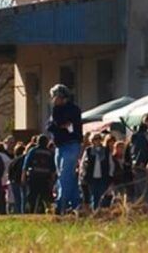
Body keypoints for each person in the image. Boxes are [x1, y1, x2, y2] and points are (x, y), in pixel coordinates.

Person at [46, 84, 83, 214]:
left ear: (62, 97)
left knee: (65, 175)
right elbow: (50, 126)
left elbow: (59, 122)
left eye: (54, 97)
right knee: (67, 176)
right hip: (59, 147)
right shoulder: (56, 110)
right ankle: (76, 204)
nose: (52, 100)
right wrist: (59, 125)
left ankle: (60, 204)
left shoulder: (72, 109)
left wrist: (58, 125)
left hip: (71, 145)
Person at [22, 134, 57, 213]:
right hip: (45, 178)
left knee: (32, 196)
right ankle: (45, 211)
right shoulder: (49, 153)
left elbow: (26, 165)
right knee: (45, 197)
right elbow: (53, 168)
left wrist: (23, 177)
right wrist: (52, 180)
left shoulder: (33, 151)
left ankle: (31, 211)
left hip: (34, 177)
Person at [80, 133, 115, 210]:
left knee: (102, 195)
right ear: (92, 141)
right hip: (91, 177)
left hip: (103, 176)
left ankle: (101, 211)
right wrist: (83, 174)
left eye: (99, 139)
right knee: (94, 195)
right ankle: (95, 211)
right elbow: (83, 164)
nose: (97, 141)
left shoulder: (106, 150)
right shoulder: (88, 151)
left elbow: (111, 164)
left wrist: (110, 175)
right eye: (95, 139)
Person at [126, 124, 148, 203]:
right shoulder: (142, 139)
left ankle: (138, 208)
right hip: (141, 165)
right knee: (145, 189)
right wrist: (141, 162)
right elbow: (142, 151)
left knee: (138, 189)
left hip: (135, 165)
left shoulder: (134, 139)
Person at [7, 144, 27, 214]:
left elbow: (10, 172)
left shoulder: (13, 161)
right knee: (23, 199)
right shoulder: (24, 159)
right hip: (22, 181)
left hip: (14, 181)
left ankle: (19, 212)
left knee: (17, 200)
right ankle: (23, 212)